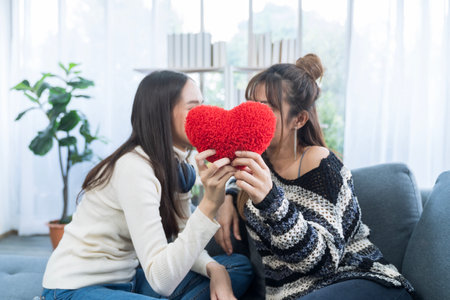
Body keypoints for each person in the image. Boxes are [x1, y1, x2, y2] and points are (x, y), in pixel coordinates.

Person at [214, 54, 414, 300]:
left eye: (269, 107)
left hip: (359, 281)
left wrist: (270, 201)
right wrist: (228, 195)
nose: (254, 115)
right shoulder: (255, 165)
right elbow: (236, 180)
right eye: (252, 104)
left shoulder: (320, 162)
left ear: (298, 120)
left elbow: (324, 262)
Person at [41, 70, 253, 300]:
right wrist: (210, 204)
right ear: (161, 114)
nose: (204, 115)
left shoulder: (176, 165)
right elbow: (162, 281)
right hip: (75, 288)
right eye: (193, 108)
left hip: (128, 281)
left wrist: (216, 271)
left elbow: (183, 242)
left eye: (204, 105)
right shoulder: (133, 168)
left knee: (236, 267)